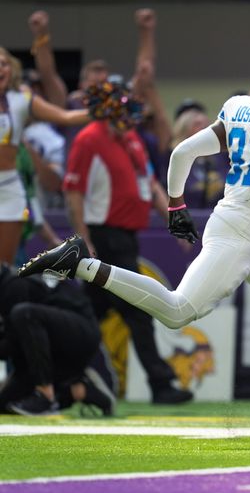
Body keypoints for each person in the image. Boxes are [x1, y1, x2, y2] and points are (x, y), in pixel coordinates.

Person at [20, 30, 250, 438]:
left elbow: (182, 153)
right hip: (243, 231)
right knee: (178, 312)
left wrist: (176, 204)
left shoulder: (239, 106)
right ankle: (81, 263)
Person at [61, 78, 192, 406]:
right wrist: (84, 239)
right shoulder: (89, 139)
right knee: (137, 308)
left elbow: (148, 182)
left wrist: (173, 218)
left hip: (125, 238)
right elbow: (73, 191)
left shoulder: (131, 138)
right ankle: (160, 383)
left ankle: (61, 371)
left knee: (91, 310)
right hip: (105, 237)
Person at [0, 47, 90, 266]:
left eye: (3, 64)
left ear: (11, 69)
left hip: (10, 188)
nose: (0, 69)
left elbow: (65, 116)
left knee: (4, 268)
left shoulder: (21, 99)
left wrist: (102, 110)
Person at [0, 265, 114, 417]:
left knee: (24, 314)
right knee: (6, 403)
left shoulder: (14, 286)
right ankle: (80, 389)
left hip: (81, 332)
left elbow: (15, 346)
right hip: (54, 343)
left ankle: (45, 395)